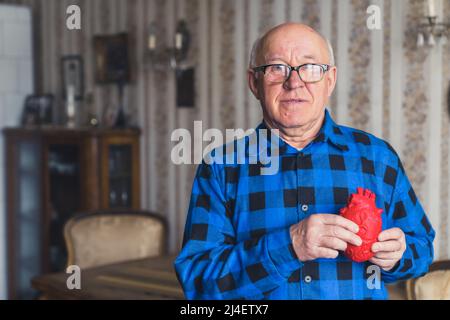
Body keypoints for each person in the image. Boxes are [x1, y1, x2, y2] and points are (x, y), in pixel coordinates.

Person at [174, 23, 435, 300]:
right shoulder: (221, 167)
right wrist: (290, 245)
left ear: (330, 80)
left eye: (310, 68)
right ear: (254, 83)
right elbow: (198, 281)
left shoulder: (378, 158)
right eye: (277, 68)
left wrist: (398, 255)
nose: (294, 82)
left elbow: (423, 249)